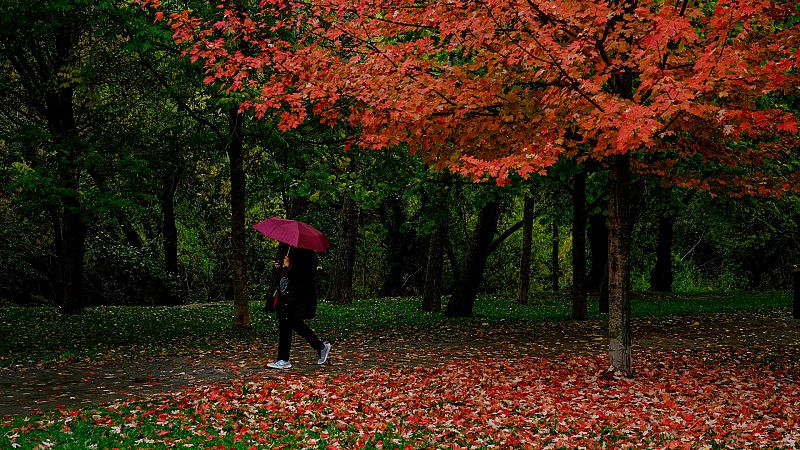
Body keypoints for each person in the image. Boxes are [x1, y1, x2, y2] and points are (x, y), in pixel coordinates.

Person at [267, 244, 331, 369]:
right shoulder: (290, 249)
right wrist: (280, 266)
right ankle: (320, 347)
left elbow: (305, 275)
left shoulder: (307, 254)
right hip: (287, 293)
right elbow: (288, 273)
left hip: (298, 296)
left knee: (289, 322)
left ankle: (284, 359)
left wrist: (289, 267)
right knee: (292, 323)